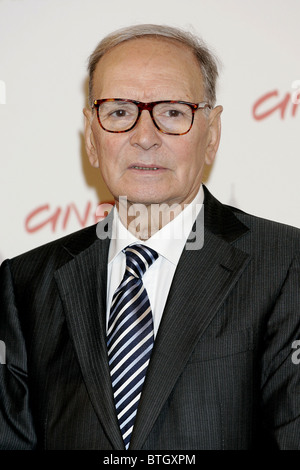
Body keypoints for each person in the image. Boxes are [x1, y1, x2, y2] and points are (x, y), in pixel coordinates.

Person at [0, 24, 299, 451]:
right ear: (91, 136)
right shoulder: (24, 282)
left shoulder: (286, 263)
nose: (144, 137)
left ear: (211, 134)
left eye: (173, 112)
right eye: (119, 112)